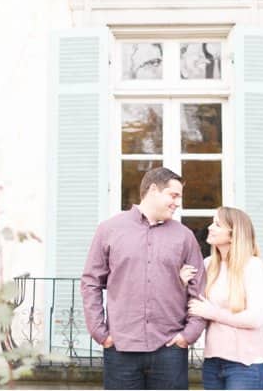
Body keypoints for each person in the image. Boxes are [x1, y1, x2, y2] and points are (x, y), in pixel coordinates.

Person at [81, 167, 207, 390]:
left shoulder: (184, 236)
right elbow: (91, 283)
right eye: (173, 195)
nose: (178, 203)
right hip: (121, 349)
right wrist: (100, 333)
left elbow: (199, 290)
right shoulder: (109, 230)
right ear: (153, 190)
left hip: (170, 350)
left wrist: (188, 335)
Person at [180, 206, 263, 390]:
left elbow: (256, 318)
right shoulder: (207, 265)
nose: (210, 227)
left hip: (246, 365)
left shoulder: (253, 266)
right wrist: (182, 284)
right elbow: (192, 308)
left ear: (233, 234)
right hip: (213, 364)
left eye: (217, 224)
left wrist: (214, 313)